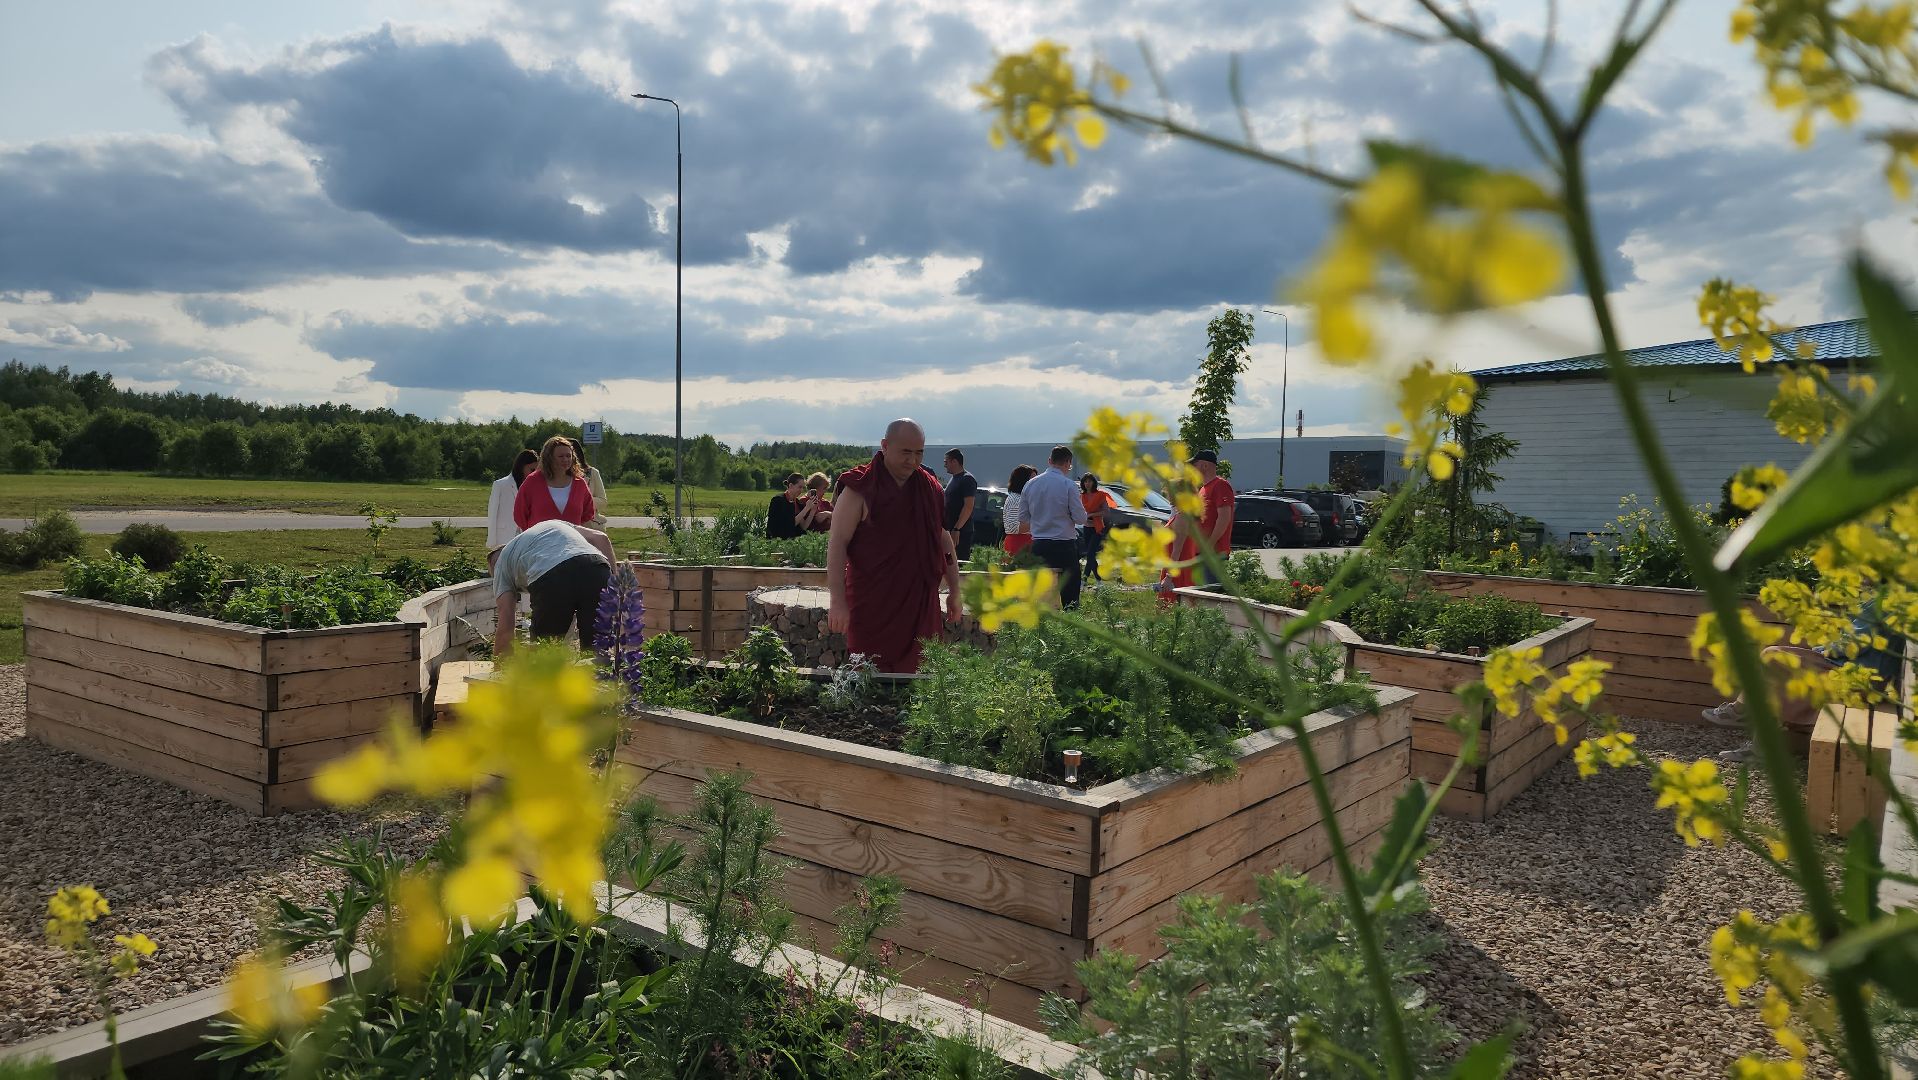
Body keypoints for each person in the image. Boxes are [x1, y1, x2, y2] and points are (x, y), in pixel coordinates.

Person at [826, 419, 963, 673]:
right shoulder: (860, 488)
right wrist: (837, 600)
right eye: (906, 452)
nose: (912, 460)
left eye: (919, 453)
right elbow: (837, 544)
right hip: (872, 604)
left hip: (920, 604)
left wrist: (955, 589)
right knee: (869, 674)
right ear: (885, 446)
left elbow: (942, 538)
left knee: (921, 679)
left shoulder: (929, 487)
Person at [1706, 600, 1906, 762]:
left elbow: (1850, 645)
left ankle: (1742, 713)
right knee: (1776, 671)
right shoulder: (1885, 598)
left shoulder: (1882, 601)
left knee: (1773, 658)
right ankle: (1755, 739)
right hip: (1858, 673)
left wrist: (1820, 649)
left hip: (1858, 680)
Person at [491, 519, 612, 655]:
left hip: (553, 575)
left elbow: (506, 625)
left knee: (545, 652)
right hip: (597, 567)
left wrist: (499, 664)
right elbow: (601, 538)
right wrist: (616, 588)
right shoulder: (553, 525)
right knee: (597, 649)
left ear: (493, 566)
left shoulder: (500, 565)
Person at [1020, 445, 1089, 609]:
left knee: (1039, 595)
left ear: (1049, 461)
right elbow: (1080, 518)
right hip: (1064, 546)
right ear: (1068, 463)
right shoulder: (1068, 485)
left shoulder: (1030, 484)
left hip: (1039, 545)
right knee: (1070, 597)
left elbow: (1022, 519)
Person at [1168, 449, 1235, 590]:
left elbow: (1224, 518)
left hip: (1214, 553)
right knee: (1202, 595)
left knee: (1212, 596)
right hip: (1201, 553)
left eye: (1194, 465)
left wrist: (1209, 544)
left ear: (1205, 466)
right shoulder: (1203, 489)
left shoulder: (1220, 485)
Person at [514, 435, 598, 530]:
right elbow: (519, 515)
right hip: (540, 538)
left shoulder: (579, 484)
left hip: (571, 538)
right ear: (549, 458)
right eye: (561, 456)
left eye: (568, 456)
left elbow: (587, 513)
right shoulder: (532, 482)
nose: (565, 459)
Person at [486, 448, 539, 570]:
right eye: (531, 470)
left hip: (525, 534)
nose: (534, 473)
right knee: (502, 568)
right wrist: (492, 540)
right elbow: (492, 513)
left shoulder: (535, 487)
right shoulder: (500, 484)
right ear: (521, 467)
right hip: (503, 535)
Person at [1079, 472, 1119, 583]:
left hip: (1097, 528)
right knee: (1090, 555)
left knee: (1090, 554)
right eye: (1085, 481)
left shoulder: (1100, 495)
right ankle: (1096, 579)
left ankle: (1086, 579)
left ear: (1094, 483)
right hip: (1086, 527)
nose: (1087, 484)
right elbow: (1079, 510)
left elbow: (1106, 512)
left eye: (1090, 481)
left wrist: (1092, 514)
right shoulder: (1081, 496)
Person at [942, 448, 979, 563]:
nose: (944, 465)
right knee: (948, 562)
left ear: (954, 461)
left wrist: (957, 528)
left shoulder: (967, 479)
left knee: (959, 563)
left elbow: (968, 506)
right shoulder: (953, 479)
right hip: (950, 530)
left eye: (946, 462)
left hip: (960, 532)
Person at [570, 438, 610, 529]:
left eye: (568, 454)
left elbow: (603, 501)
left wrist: (581, 500)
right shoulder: (554, 476)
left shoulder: (592, 473)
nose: (565, 459)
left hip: (590, 526)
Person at [1002, 464, 1039, 560]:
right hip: (1018, 545)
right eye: (1032, 480)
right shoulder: (1015, 499)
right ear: (1022, 481)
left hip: (1028, 544)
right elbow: (1013, 527)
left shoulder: (1025, 498)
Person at [767, 472, 805, 540]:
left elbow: (804, 527)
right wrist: (806, 508)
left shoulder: (798, 503)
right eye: (799, 487)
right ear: (791, 485)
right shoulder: (778, 500)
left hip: (792, 541)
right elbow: (789, 524)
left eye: (803, 487)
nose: (801, 490)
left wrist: (812, 509)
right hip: (777, 541)